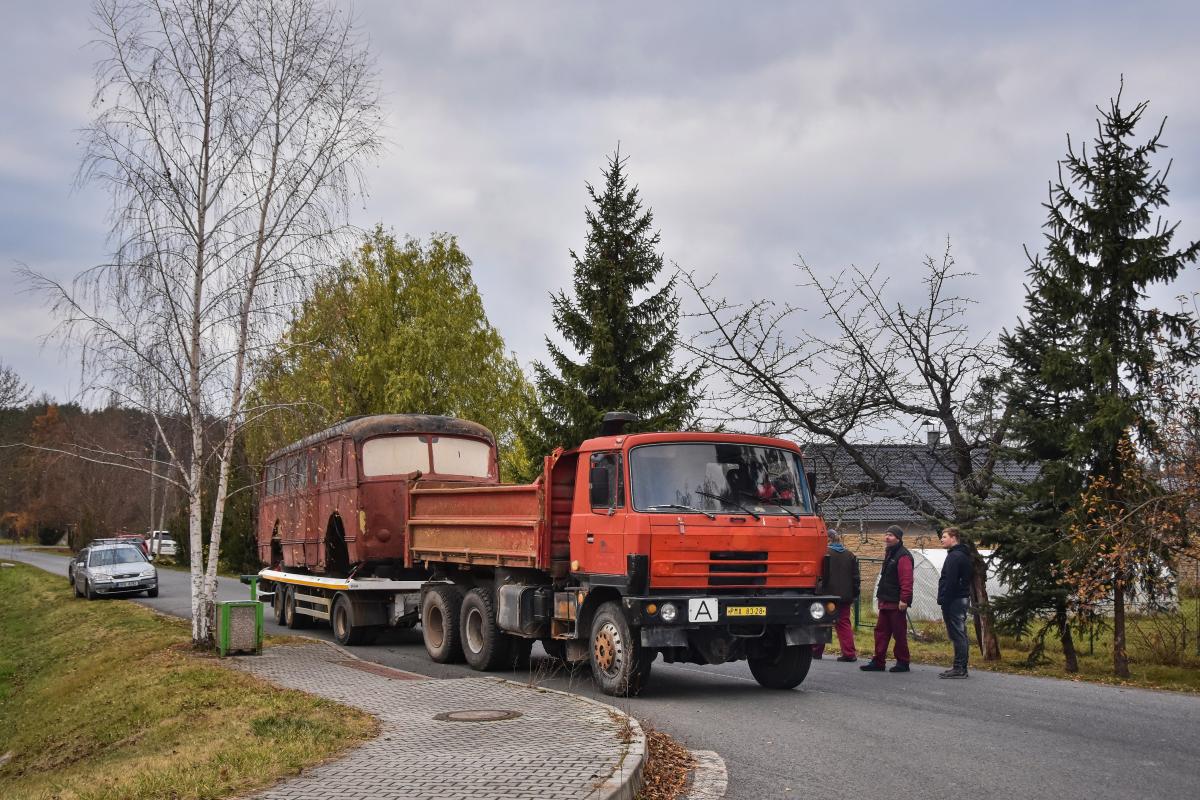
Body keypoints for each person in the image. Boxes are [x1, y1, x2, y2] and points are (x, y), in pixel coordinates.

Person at [861, 525, 913, 673]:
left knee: (899, 633)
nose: (887, 537)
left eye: (890, 535)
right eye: (886, 534)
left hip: (896, 602)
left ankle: (903, 662)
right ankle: (878, 661)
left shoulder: (903, 556)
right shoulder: (889, 553)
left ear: (898, 538)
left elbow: (907, 580)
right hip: (885, 600)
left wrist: (904, 599)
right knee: (881, 632)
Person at [813, 529, 860, 661]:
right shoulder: (850, 555)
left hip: (827, 595)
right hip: (845, 596)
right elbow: (856, 577)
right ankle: (849, 653)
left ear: (828, 539)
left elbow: (819, 576)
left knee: (823, 622)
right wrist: (854, 594)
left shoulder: (824, 554)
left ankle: (816, 651)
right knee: (844, 623)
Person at [937, 526, 974, 678]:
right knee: (960, 633)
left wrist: (944, 599)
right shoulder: (962, 554)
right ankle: (959, 666)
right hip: (961, 597)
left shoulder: (954, 556)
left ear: (953, 538)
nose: (941, 539)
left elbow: (950, 581)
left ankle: (960, 668)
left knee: (958, 633)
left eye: (944, 536)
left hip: (955, 600)